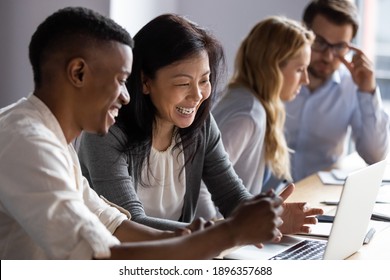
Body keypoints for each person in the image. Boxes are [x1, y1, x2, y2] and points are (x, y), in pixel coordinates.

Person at [0, 7, 285, 260]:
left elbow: (115, 225)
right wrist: (230, 233)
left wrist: (210, 236)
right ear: (78, 73)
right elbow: (102, 256)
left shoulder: (52, 138)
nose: (126, 96)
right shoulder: (28, 143)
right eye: (121, 81)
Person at [78, 13, 323, 232]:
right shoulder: (106, 130)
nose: (197, 96)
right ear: (145, 81)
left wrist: (270, 217)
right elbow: (129, 225)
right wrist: (224, 233)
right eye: (183, 83)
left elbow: (231, 196)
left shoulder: (200, 125)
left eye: (204, 80)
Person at [195, 16, 315, 220]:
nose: (305, 79)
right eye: (299, 69)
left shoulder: (248, 100)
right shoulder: (248, 115)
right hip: (224, 239)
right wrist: (219, 236)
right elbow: (200, 186)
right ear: (273, 67)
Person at [284, 0, 390, 181]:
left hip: (319, 197)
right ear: (303, 32)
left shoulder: (352, 85)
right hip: (268, 198)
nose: (328, 56)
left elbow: (375, 156)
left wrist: (368, 91)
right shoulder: (275, 76)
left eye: (339, 47)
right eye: (320, 42)